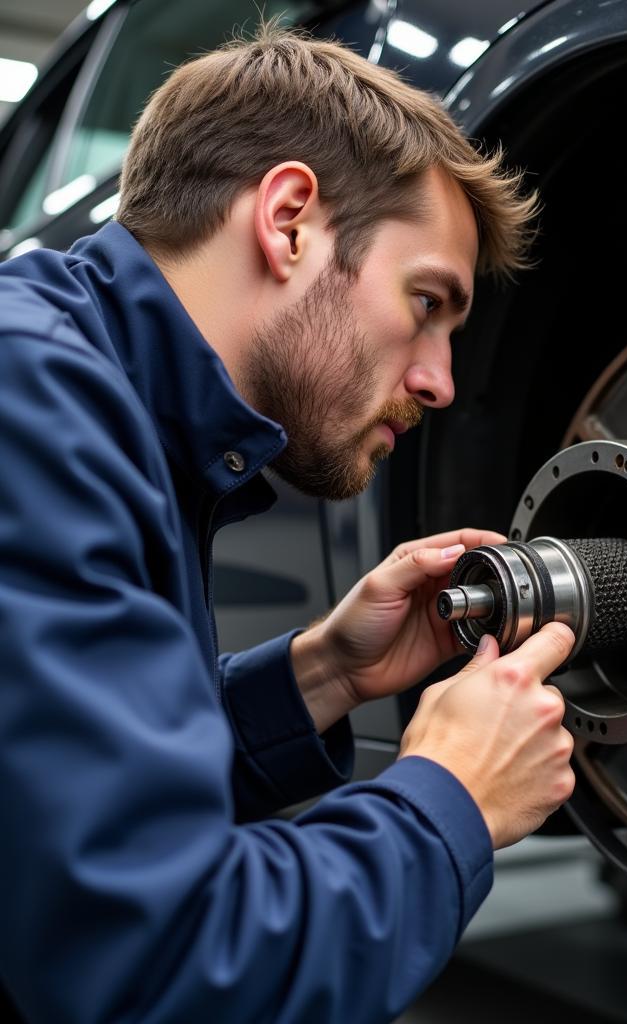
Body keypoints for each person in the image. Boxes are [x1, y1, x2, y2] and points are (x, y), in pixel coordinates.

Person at [0, 23, 576, 1024]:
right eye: (426, 302)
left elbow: (65, 807)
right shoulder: (32, 407)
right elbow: (158, 962)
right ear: (292, 219)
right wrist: (451, 798)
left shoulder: (86, 388)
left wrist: (318, 675)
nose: (440, 382)